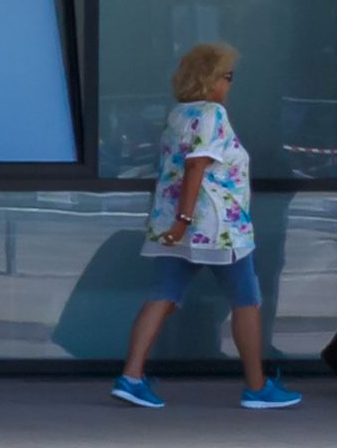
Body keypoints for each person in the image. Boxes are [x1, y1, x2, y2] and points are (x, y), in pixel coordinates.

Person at [115, 39, 297, 412]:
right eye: (227, 77)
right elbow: (198, 166)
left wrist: (177, 224)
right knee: (247, 301)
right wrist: (186, 221)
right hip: (216, 227)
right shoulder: (212, 115)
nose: (230, 84)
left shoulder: (179, 114)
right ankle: (257, 387)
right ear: (211, 80)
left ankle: (131, 377)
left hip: (173, 225)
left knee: (162, 295)